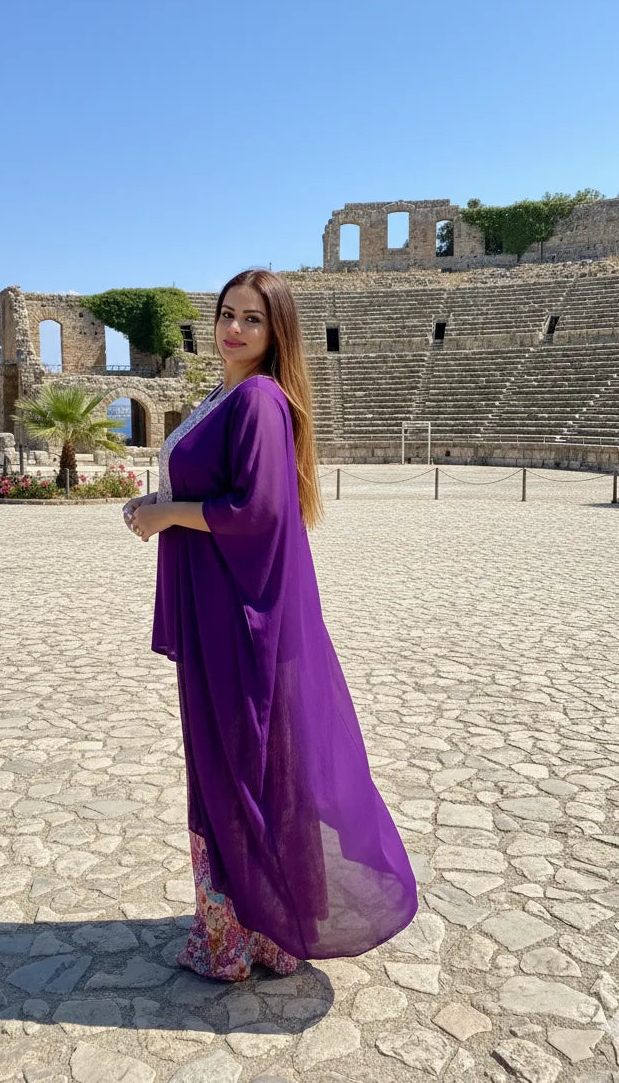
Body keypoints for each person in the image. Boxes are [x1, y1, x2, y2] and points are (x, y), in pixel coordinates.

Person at [122, 268, 418, 981]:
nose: (234, 328)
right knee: (246, 764)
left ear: (275, 330)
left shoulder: (257, 398)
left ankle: (233, 939)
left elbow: (257, 512)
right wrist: (157, 503)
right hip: (217, 603)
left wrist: (164, 515)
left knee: (235, 766)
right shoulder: (223, 395)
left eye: (253, 319)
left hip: (234, 614)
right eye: (228, 313)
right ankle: (269, 929)